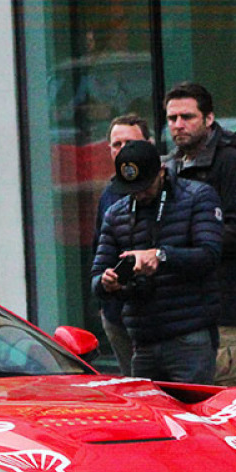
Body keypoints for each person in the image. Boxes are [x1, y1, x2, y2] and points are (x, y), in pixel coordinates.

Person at [92, 139, 223, 384]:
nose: (140, 194)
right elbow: (97, 276)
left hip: (189, 337)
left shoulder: (197, 197)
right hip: (142, 340)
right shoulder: (116, 214)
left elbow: (210, 254)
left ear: (162, 172)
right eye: (133, 189)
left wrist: (161, 256)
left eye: (146, 186)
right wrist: (107, 282)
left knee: (191, 417)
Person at [164, 82, 236, 386]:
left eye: (187, 116)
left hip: (221, 307)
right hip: (179, 308)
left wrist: (185, 242)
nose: (178, 125)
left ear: (209, 119)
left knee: (220, 395)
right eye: (172, 119)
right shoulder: (171, 166)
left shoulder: (232, 162)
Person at [93, 114, 152, 373]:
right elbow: (100, 251)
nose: (121, 151)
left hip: (157, 315)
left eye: (129, 143)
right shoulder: (109, 194)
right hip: (116, 315)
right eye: (116, 145)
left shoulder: (169, 190)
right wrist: (103, 290)